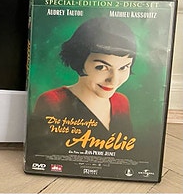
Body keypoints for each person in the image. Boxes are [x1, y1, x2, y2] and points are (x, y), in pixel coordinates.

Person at [27, 17, 136, 153]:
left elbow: (127, 154)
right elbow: (41, 154)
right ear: (79, 61)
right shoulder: (53, 102)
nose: (114, 81)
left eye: (124, 67)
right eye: (101, 67)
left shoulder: (121, 102)